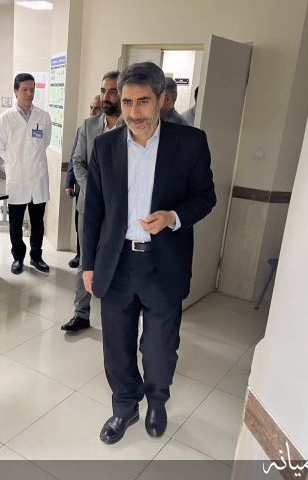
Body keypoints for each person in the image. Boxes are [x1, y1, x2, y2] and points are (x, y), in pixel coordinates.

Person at [82, 62, 216, 444]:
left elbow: (206, 197)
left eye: (143, 101)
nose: (134, 112)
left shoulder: (190, 142)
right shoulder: (105, 146)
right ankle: (125, 406)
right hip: (116, 263)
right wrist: (88, 265)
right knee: (117, 345)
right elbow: (93, 212)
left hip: (163, 264)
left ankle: (157, 401)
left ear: (162, 100)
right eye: (126, 102)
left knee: (160, 347)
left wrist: (174, 217)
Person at [61, 72, 123, 333]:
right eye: (103, 90)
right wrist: (95, 193)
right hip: (88, 207)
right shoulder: (89, 126)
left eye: (112, 91)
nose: (106, 96)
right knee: (86, 261)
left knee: (118, 263)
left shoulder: (131, 127)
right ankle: (81, 313)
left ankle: (117, 318)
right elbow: (78, 162)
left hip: (118, 211)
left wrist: (111, 199)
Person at [0, 73, 52, 275]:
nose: (29, 94)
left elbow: (45, 143)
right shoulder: (5, 118)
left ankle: (36, 256)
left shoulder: (43, 116)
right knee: (16, 223)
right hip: (17, 178)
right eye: (25, 89)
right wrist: (16, 162)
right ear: (15, 91)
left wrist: (30, 162)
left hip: (38, 178)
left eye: (32, 89)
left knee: (38, 223)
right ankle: (18, 258)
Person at [65, 94, 101, 269]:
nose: (92, 111)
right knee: (80, 223)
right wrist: (68, 183)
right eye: (91, 108)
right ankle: (79, 254)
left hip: (99, 190)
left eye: (97, 108)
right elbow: (75, 157)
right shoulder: (84, 128)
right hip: (82, 187)